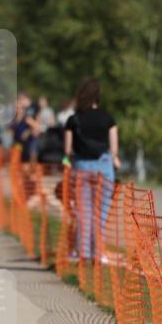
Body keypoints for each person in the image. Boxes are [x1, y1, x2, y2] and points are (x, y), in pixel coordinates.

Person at [63, 77, 120, 261]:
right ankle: (98, 253)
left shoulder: (73, 120)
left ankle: (84, 253)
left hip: (81, 167)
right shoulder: (108, 118)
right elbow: (114, 149)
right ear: (98, 96)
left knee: (84, 213)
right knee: (100, 214)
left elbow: (67, 150)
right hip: (103, 167)